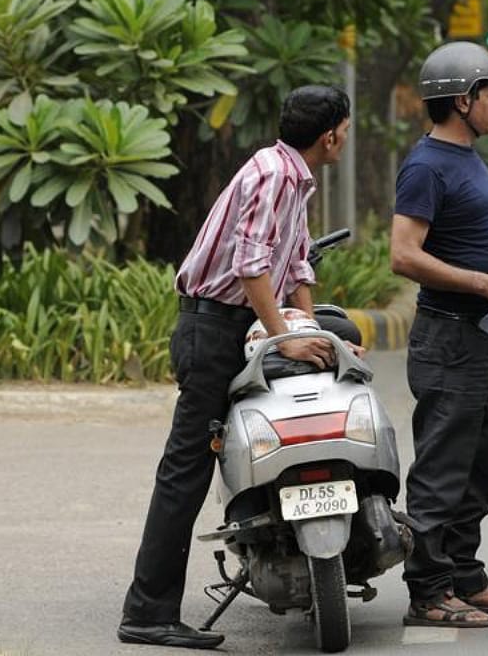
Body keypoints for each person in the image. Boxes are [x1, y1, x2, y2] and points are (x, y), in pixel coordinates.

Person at [118, 85, 360, 650]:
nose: (345, 139)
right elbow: (252, 266)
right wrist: (286, 342)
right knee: (185, 471)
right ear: (330, 134)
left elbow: (295, 263)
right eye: (345, 130)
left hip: (232, 326)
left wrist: (315, 336)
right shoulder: (275, 175)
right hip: (213, 330)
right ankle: (147, 612)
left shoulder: (293, 177)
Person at [389, 41, 488, 628]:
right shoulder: (426, 165)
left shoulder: (468, 157)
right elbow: (403, 255)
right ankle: (427, 589)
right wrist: (482, 283)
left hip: (484, 339)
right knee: (443, 465)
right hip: (449, 338)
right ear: (462, 99)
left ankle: (465, 576)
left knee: (480, 462)